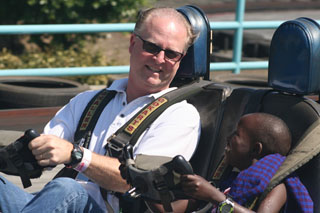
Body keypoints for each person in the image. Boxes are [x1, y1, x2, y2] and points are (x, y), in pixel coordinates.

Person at [0, 7, 201, 213]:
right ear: (133, 43)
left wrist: (76, 155)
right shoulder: (88, 100)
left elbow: (137, 181)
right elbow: (45, 149)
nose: (159, 59)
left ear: (180, 60)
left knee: (67, 189)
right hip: (60, 202)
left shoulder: (180, 116)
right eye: (151, 47)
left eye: (171, 54)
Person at [181, 113, 313, 213]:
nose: (228, 138)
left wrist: (215, 197)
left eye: (236, 134)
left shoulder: (276, 184)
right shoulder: (231, 180)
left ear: (255, 149)